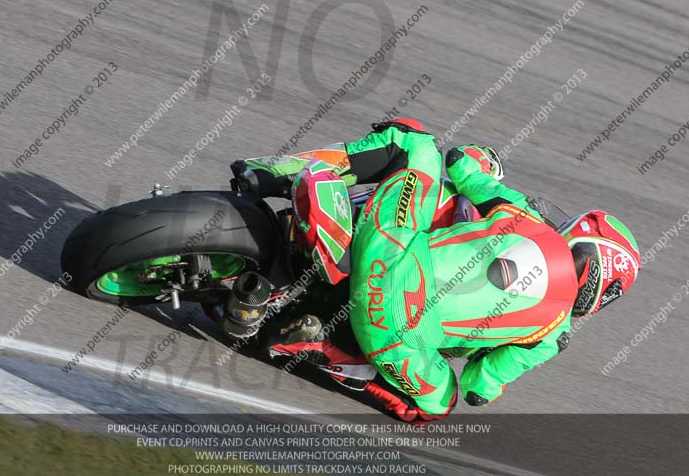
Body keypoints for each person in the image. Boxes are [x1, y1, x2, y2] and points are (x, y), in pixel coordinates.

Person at [230, 118, 641, 422]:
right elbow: (481, 387)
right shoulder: (549, 337)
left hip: (384, 253)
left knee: (411, 142)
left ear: (576, 236)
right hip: (390, 333)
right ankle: (314, 343)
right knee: (437, 406)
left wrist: (479, 161)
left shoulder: (527, 216)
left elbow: (460, 163)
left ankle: (272, 172)